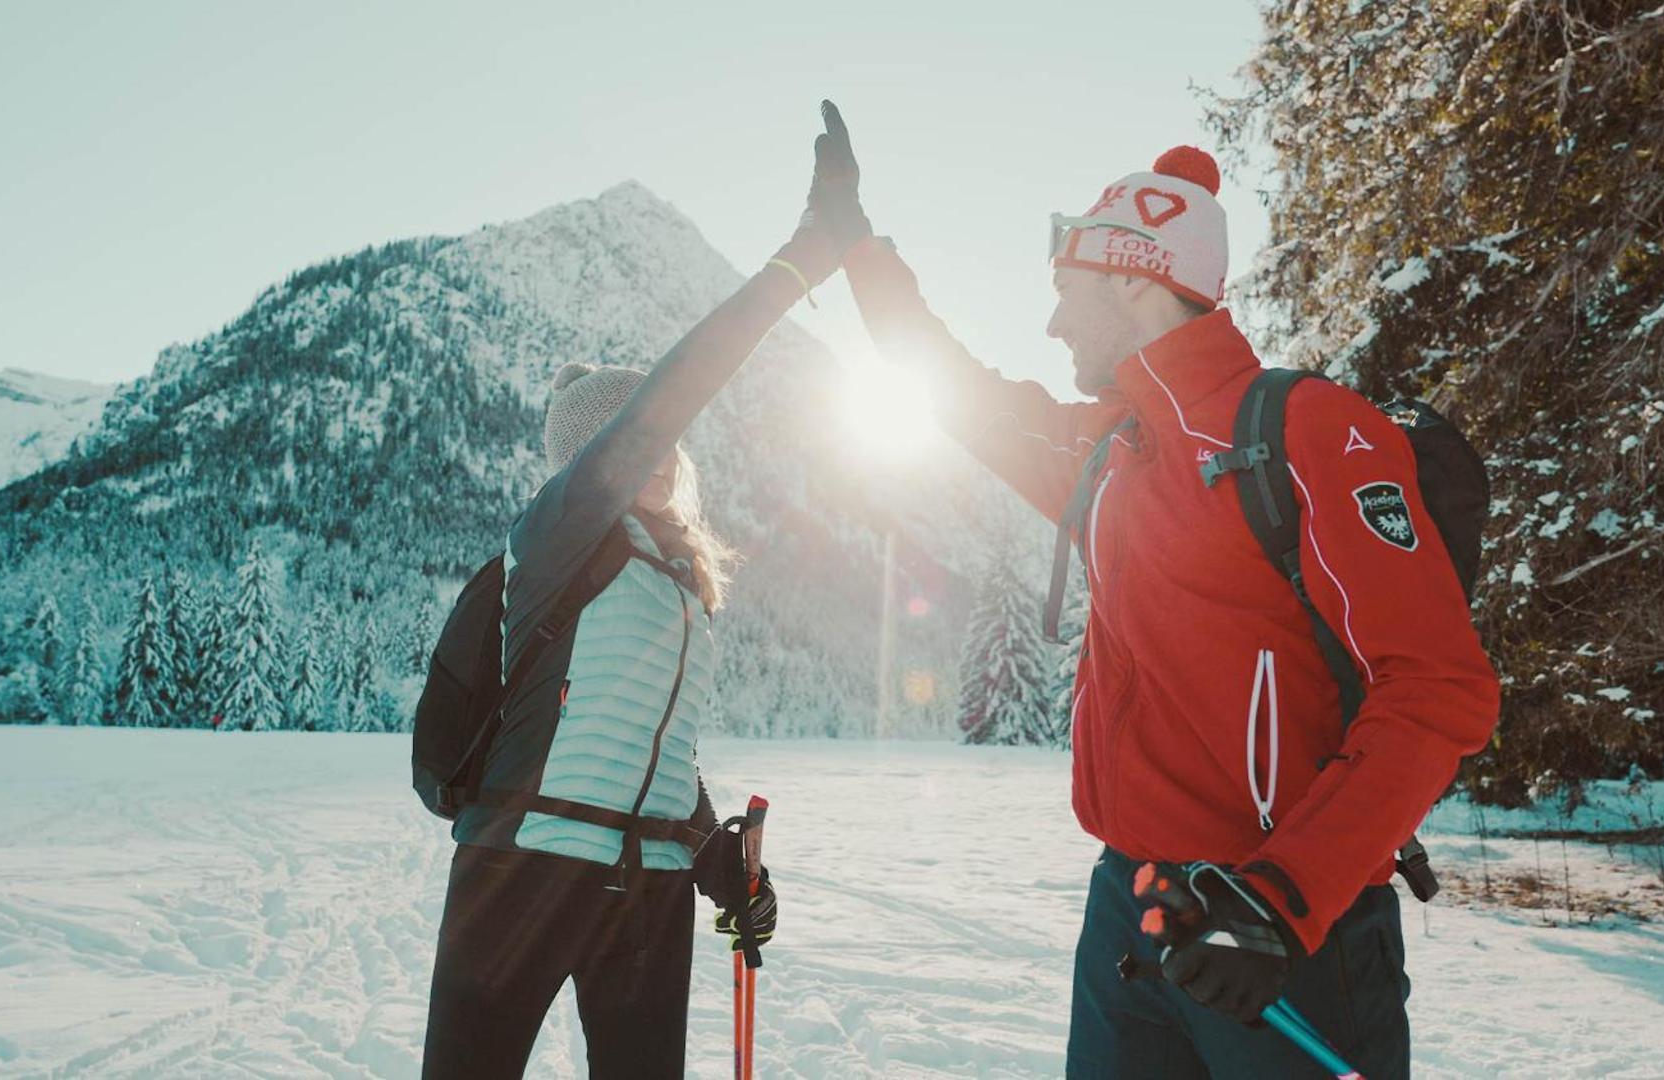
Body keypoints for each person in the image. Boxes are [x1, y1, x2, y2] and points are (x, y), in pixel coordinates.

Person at [809, 102, 1499, 1077]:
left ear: (1135, 277)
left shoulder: (1306, 432)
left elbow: (1436, 688)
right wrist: (853, 248)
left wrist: (1279, 900)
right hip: (1128, 913)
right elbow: (951, 389)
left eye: (1066, 289)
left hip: (1282, 933)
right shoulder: (1103, 451)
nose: (1048, 322)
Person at [420, 119, 855, 1078]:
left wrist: (711, 857)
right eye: (633, 440)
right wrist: (802, 260)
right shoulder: (561, 531)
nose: (657, 453)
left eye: (660, 447)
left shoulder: (681, 581)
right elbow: (680, 387)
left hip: (646, 888)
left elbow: (651, 750)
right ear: (592, 454)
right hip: (523, 869)